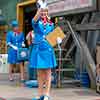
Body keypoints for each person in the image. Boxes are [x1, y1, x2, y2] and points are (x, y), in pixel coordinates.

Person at [29, 4, 57, 100]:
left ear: (48, 13)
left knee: (48, 73)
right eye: (42, 11)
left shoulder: (51, 24)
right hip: (39, 50)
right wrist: (39, 10)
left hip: (48, 50)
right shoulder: (37, 23)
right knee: (40, 73)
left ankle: (47, 94)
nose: (44, 13)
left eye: (45, 11)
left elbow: (52, 38)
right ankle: (40, 94)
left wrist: (57, 40)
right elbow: (34, 20)